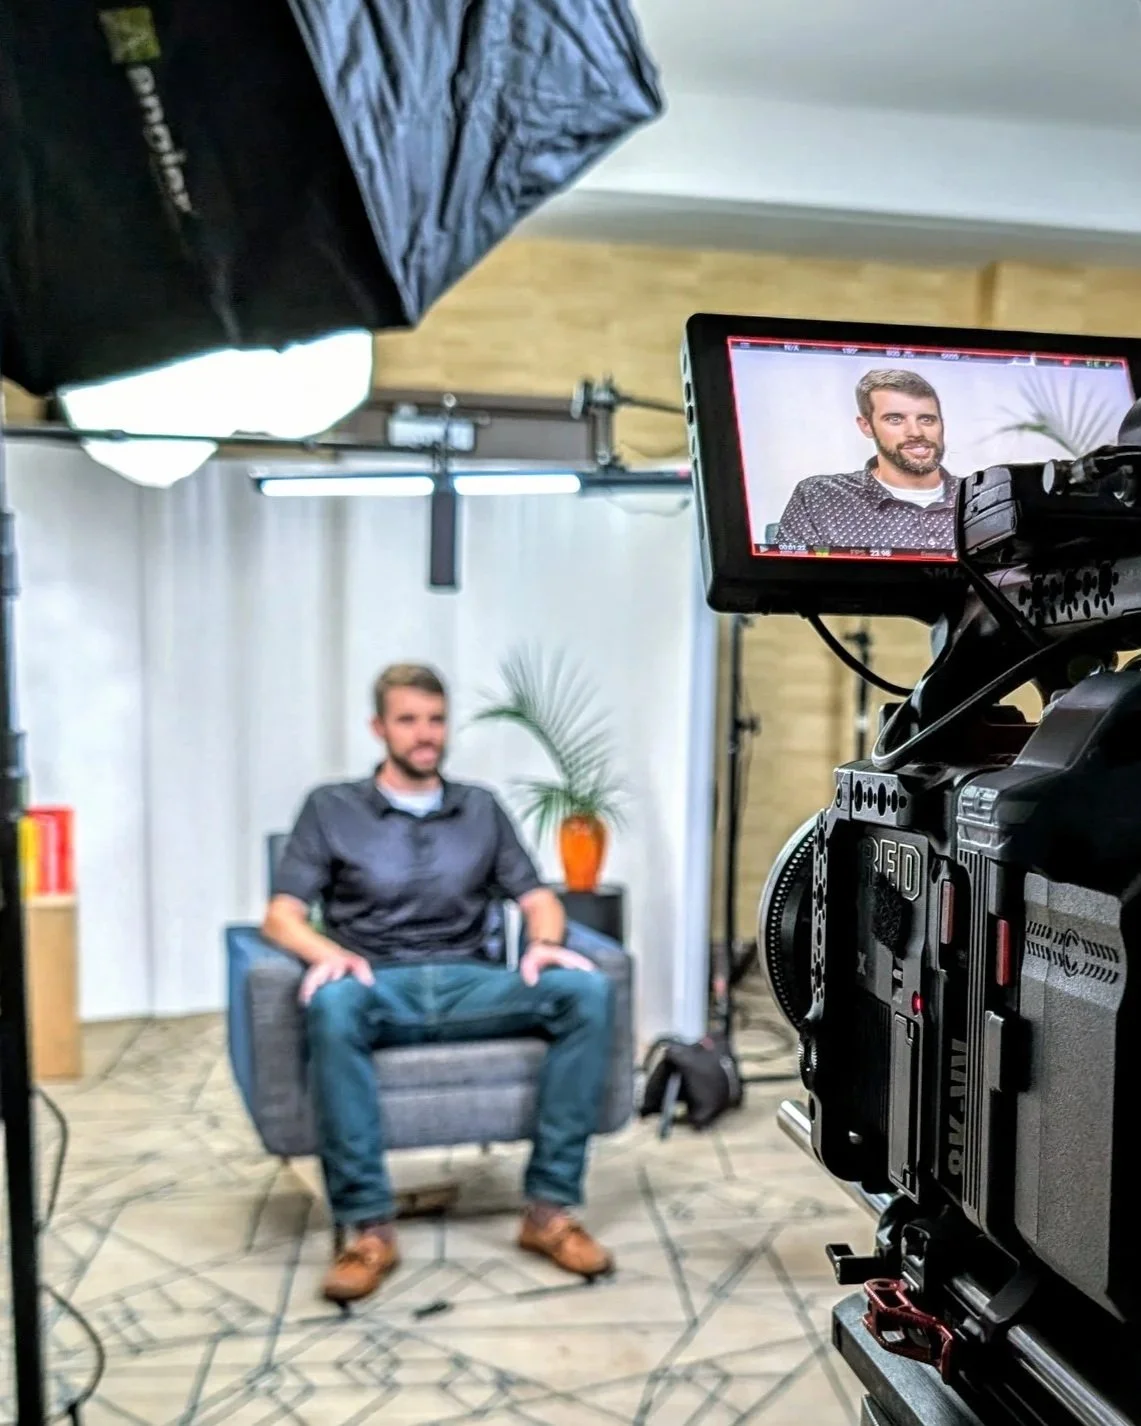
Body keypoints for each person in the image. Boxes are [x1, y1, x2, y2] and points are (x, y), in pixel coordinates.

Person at [261, 663, 616, 1304]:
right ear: (379, 728)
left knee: (585, 992)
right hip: (376, 982)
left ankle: (548, 1213)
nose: (425, 734)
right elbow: (280, 915)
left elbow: (539, 897)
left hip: (469, 982)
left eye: (434, 719)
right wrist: (327, 953)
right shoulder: (331, 807)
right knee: (331, 1006)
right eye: (408, 720)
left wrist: (542, 945)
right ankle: (369, 1230)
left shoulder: (478, 806)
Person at [775, 368, 956, 551]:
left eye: (927, 420)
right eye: (895, 419)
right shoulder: (820, 498)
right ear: (866, 426)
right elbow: (789, 575)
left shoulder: (978, 498)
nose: (916, 432)